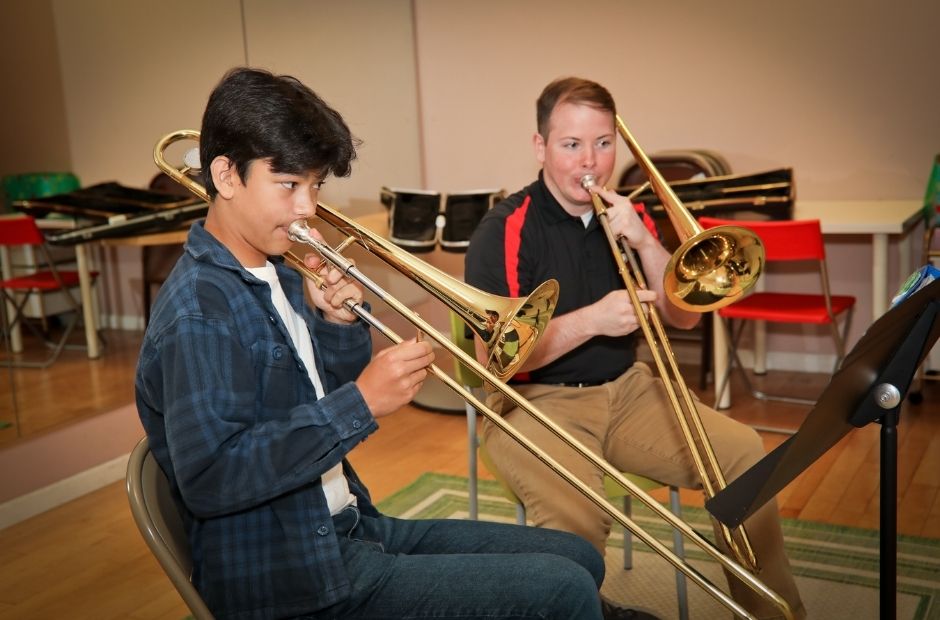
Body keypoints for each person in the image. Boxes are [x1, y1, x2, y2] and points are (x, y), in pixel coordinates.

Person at [135, 67, 608, 620]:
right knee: (563, 590)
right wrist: (360, 403)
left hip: (347, 525)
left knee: (575, 556)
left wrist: (334, 328)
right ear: (225, 175)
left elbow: (310, 401)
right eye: (288, 185)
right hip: (294, 579)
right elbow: (213, 480)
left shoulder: (276, 272)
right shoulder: (199, 311)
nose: (308, 207)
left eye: (315, 186)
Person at [464, 77, 807, 620]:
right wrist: (592, 321)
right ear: (540, 147)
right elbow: (491, 365)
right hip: (530, 406)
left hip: (627, 391)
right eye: (571, 144)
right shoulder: (504, 229)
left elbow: (684, 319)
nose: (591, 163)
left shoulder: (630, 217)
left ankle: (773, 613)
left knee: (744, 454)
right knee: (578, 513)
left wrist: (647, 242)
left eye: (603, 143)